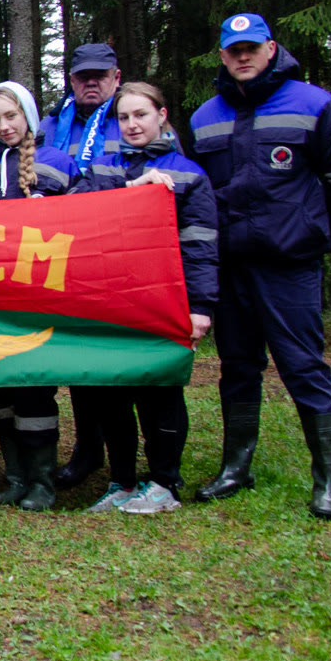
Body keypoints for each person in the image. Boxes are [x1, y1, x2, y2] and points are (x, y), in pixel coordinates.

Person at [188, 14, 331, 520]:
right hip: (231, 267)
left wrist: (316, 233)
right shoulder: (205, 118)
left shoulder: (315, 106)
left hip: (290, 265)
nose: (242, 57)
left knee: (303, 366)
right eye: (233, 50)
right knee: (238, 367)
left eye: (251, 48)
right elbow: (201, 194)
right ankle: (236, 466)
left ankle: (327, 480)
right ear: (223, 56)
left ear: (271, 48)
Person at [73, 82, 217, 515]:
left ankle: (164, 483)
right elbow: (77, 216)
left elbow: (201, 246)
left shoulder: (188, 173)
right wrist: (137, 187)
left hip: (163, 300)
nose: (133, 124)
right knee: (112, 392)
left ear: (162, 115)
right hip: (110, 300)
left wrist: (201, 308)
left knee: (160, 391)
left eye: (141, 115)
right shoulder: (101, 168)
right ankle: (122, 481)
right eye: (124, 117)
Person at [0, 81, 79, 511]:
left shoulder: (59, 164)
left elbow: (89, 220)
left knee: (33, 390)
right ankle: (14, 477)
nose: (3, 126)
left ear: (28, 115)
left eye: (11, 116)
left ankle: (42, 482)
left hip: (39, 298)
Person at [36, 42, 129, 492]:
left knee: (112, 358)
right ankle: (88, 450)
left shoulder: (128, 117)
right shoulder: (53, 125)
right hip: (62, 256)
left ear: (116, 76)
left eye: (100, 75)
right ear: (71, 80)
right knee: (74, 358)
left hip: (116, 253)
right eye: (82, 76)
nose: (91, 83)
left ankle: (130, 460)